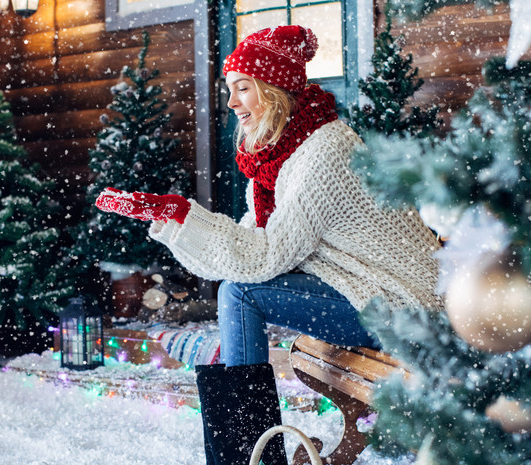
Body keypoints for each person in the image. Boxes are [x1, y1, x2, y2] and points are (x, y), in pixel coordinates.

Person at [95, 25, 442, 465]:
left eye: (243, 88)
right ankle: (248, 450)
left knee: (240, 295)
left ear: (274, 90)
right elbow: (245, 249)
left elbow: (265, 256)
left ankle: (246, 454)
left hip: (402, 307)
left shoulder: (324, 152)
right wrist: (174, 218)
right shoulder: (280, 158)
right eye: (229, 90)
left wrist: (184, 216)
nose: (232, 102)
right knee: (237, 291)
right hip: (363, 294)